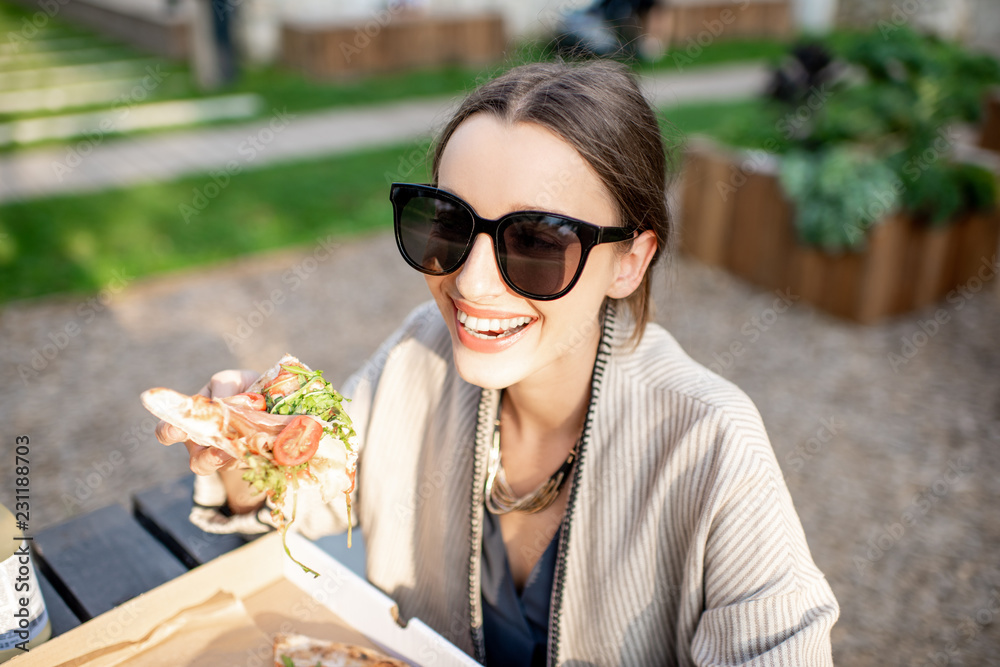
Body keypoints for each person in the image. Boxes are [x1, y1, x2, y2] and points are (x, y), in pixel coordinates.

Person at [156, 59, 839, 665]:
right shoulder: (419, 354)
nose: (472, 283)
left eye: (538, 240)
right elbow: (312, 496)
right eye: (447, 223)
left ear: (630, 261)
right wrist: (249, 442)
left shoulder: (713, 446)